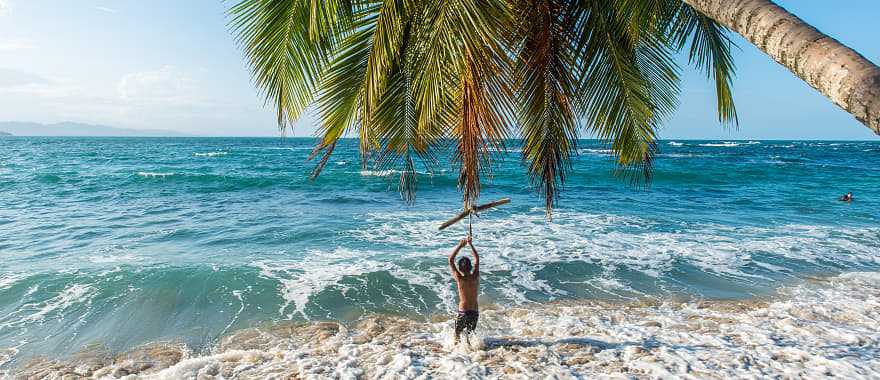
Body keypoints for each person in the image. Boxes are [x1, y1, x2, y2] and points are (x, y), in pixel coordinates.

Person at [449, 236, 479, 344]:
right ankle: (472, 355)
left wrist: (460, 246)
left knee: (457, 334)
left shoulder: (459, 278)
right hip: (475, 311)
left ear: (460, 268)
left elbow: (450, 260)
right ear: (471, 267)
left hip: (464, 312)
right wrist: (470, 244)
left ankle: (458, 354)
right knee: (470, 336)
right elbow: (477, 259)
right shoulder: (475, 276)